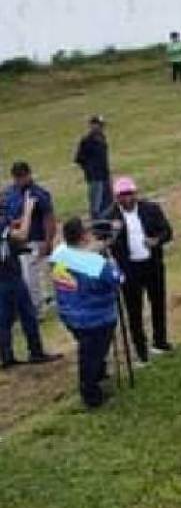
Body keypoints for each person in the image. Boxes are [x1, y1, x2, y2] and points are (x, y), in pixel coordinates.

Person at [50, 218, 118, 407]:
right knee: (91, 355)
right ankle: (91, 394)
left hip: (68, 312)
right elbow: (116, 278)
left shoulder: (59, 253)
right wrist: (108, 258)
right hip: (96, 317)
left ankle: (97, 377)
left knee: (89, 352)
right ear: (82, 236)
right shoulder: (94, 262)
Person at [105, 177, 173, 362]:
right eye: (122, 195)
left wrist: (156, 240)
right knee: (134, 311)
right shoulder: (110, 217)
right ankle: (141, 350)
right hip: (130, 270)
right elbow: (104, 243)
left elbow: (167, 231)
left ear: (135, 194)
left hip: (152, 265)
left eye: (130, 194)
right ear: (116, 197)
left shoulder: (151, 209)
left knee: (158, 303)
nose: (127, 199)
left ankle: (160, 341)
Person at [1, 194, 60, 370]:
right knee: (26, 313)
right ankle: (35, 351)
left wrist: (14, 223)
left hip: (6, 273)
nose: (3, 198)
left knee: (5, 318)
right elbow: (22, 235)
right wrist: (27, 211)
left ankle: (7, 356)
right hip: (8, 275)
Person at [4, 162, 56, 316]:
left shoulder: (38, 194)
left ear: (28, 175)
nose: (19, 181)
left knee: (32, 276)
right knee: (24, 277)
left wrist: (48, 241)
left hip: (35, 239)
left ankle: (37, 308)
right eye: (16, 178)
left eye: (21, 177)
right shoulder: (10, 193)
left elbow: (49, 218)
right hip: (16, 243)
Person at [74, 115, 112, 220]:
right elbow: (79, 159)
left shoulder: (102, 138)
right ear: (92, 125)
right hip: (95, 177)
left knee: (108, 201)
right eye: (98, 125)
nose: (101, 127)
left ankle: (107, 221)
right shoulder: (87, 141)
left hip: (105, 175)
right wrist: (89, 170)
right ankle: (97, 223)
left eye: (101, 125)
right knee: (96, 204)